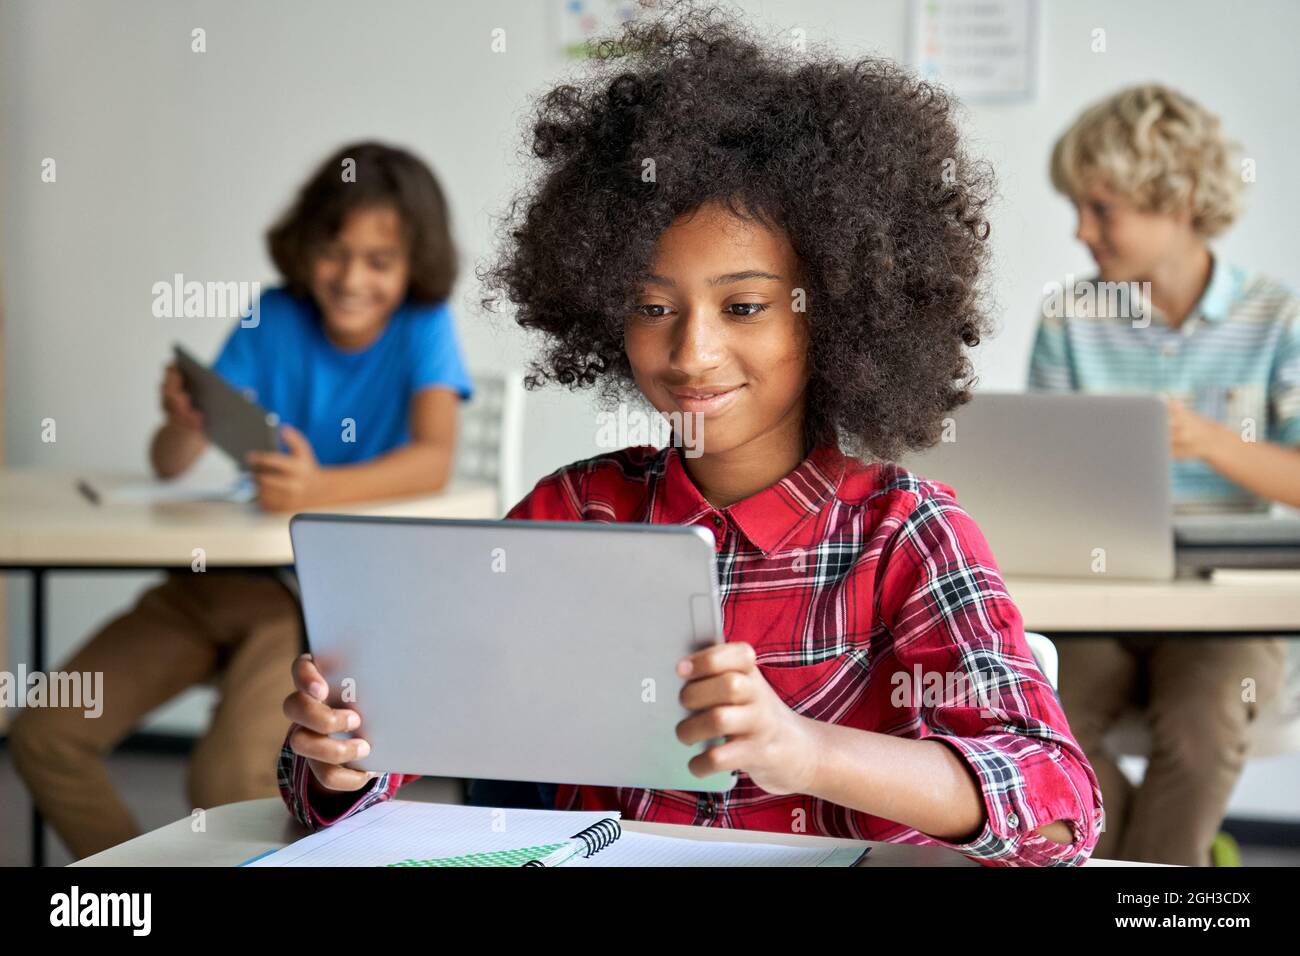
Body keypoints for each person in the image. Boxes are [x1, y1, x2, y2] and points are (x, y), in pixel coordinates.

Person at [278, 6, 1103, 866]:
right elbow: (371, 762)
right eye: (652, 306)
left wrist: (803, 750)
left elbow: (1056, 810)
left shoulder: (906, 537)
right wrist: (341, 757)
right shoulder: (578, 510)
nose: (691, 351)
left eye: (743, 306)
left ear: (836, 318)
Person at [12, 141, 473, 859]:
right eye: (336, 252)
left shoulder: (422, 325)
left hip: (312, 605)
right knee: (46, 732)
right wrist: (181, 423)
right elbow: (169, 464)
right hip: (218, 580)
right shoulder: (273, 315)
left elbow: (434, 457)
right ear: (305, 244)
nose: (352, 278)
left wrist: (320, 490)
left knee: (226, 779)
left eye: (379, 261)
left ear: (415, 265)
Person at [1029, 83, 1298, 865]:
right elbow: (1042, 478)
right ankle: (1163, 873)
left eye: (1101, 208)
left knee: (1203, 724)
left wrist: (1209, 440)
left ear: (1175, 200)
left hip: (1223, 602)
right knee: (1040, 719)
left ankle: (1156, 901)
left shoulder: (1277, 320)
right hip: (1096, 593)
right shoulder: (1067, 319)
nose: (1081, 230)